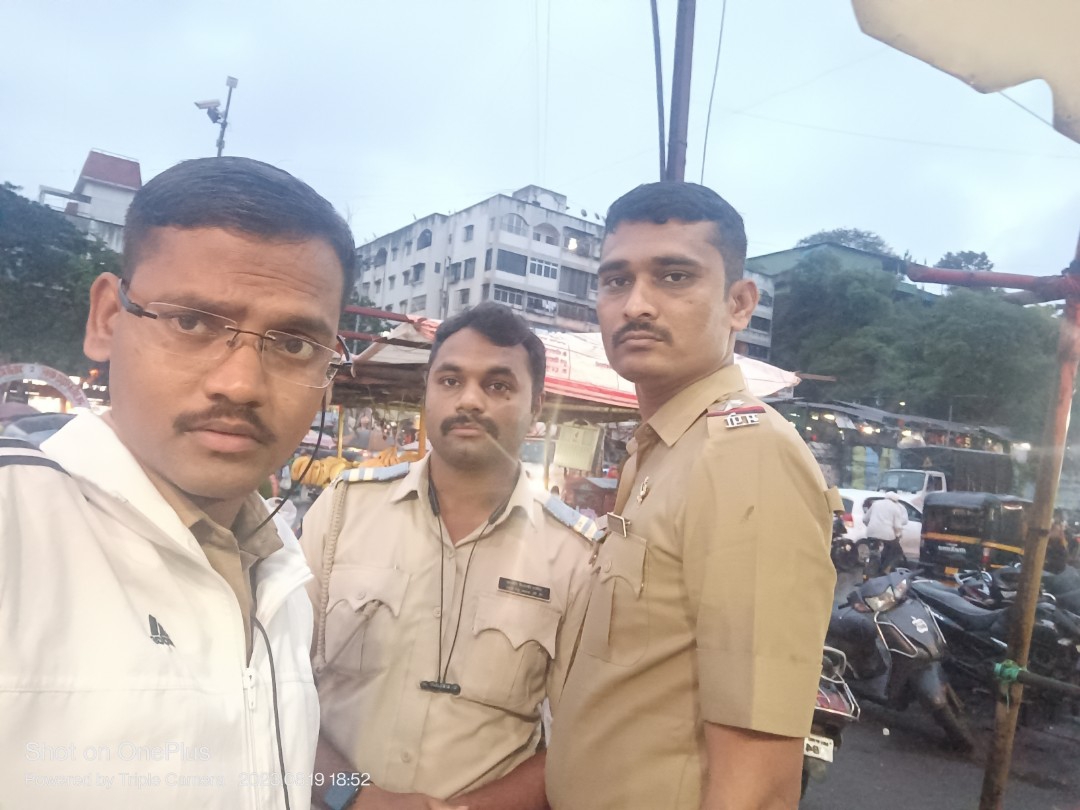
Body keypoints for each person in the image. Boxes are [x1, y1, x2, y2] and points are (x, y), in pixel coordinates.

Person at [0, 157, 356, 809]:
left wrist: (355, 795)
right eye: (192, 322)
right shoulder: (15, 528)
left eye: (293, 344)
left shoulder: (280, 566)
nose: (240, 384)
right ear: (108, 318)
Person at [545, 182, 837, 809]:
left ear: (739, 303)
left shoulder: (745, 455)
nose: (636, 305)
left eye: (674, 277)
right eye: (616, 281)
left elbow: (758, 776)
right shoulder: (660, 451)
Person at [301, 302, 598, 810]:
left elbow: (580, 736)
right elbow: (278, 683)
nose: (470, 400)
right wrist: (354, 798)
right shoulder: (344, 510)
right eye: (451, 380)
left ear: (537, 407)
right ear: (428, 391)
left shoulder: (574, 554)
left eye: (498, 385)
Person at [863, 491, 910, 575]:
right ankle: (886, 569)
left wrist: (871, 528)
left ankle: (867, 570)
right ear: (896, 500)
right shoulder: (896, 507)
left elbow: (865, 519)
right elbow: (897, 526)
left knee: (873, 553)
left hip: (871, 533)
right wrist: (898, 535)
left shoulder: (876, 504)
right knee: (897, 552)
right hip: (887, 535)